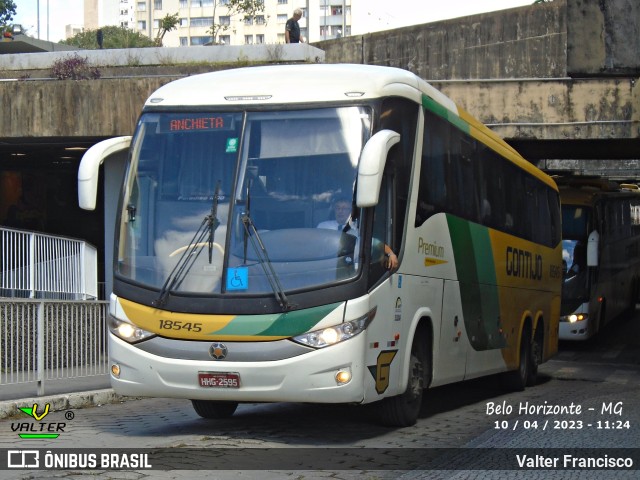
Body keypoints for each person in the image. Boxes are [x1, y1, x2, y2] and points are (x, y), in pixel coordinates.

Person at [317, 198, 398, 270]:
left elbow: (376, 243)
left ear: (351, 211)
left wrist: (391, 254)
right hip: (326, 268)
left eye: (344, 208)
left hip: (350, 270)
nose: (340, 211)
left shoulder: (357, 229)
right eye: (338, 208)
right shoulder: (323, 226)